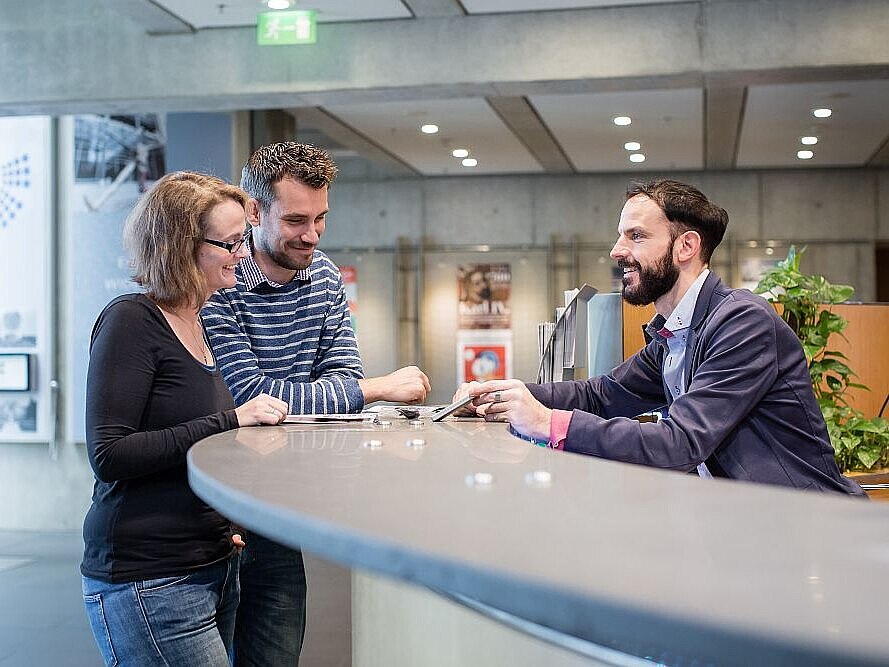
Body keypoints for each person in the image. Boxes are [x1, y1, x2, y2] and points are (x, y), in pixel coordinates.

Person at [464, 179, 864, 495]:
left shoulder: (742, 322)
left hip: (805, 531)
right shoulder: (674, 333)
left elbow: (680, 443)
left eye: (635, 236)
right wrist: (500, 395)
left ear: (686, 246)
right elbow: (601, 395)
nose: (616, 251)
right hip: (744, 523)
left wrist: (547, 422)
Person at [202, 142, 431, 665]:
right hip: (216, 514)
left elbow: (339, 381)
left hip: (280, 503)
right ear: (255, 212)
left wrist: (342, 391)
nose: (312, 234)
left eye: (321, 218)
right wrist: (375, 387)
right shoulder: (221, 284)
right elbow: (252, 398)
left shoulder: (324, 276)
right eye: (297, 219)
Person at [81, 171, 289, 666]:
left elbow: (187, 450)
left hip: (211, 566)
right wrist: (232, 421)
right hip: (149, 582)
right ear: (181, 246)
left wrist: (219, 521)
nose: (244, 254)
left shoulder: (199, 322)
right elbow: (110, 454)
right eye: (232, 242)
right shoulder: (131, 321)